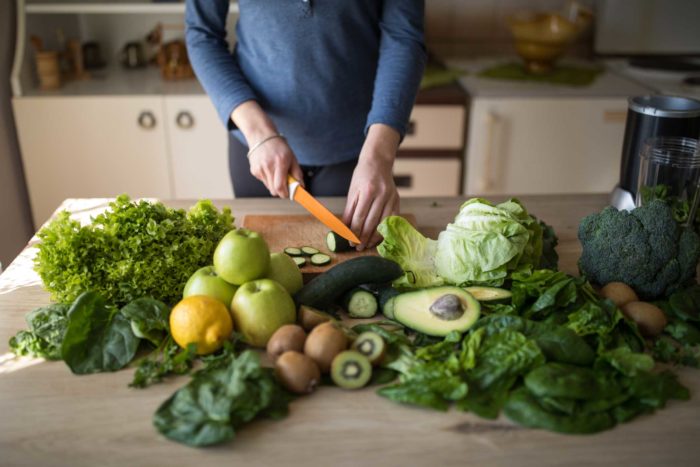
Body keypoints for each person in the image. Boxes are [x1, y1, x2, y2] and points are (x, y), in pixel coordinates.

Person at [185, 0, 426, 250]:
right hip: (258, 147)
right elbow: (201, 34)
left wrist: (379, 157)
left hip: (358, 151)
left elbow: (404, 38)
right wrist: (259, 133)